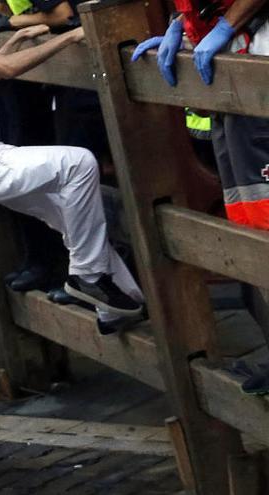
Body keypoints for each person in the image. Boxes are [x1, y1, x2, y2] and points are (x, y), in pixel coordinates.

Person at [0, 0, 145, 334]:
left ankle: (116, 307)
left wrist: (15, 42)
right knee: (80, 163)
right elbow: (7, 70)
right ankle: (88, 277)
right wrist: (67, 38)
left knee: (73, 218)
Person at [132, 0, 269, 395]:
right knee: (249, 230)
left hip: (255, 73)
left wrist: (223, 27)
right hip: (232, 89)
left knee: (262, 229)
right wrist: (185, 27)